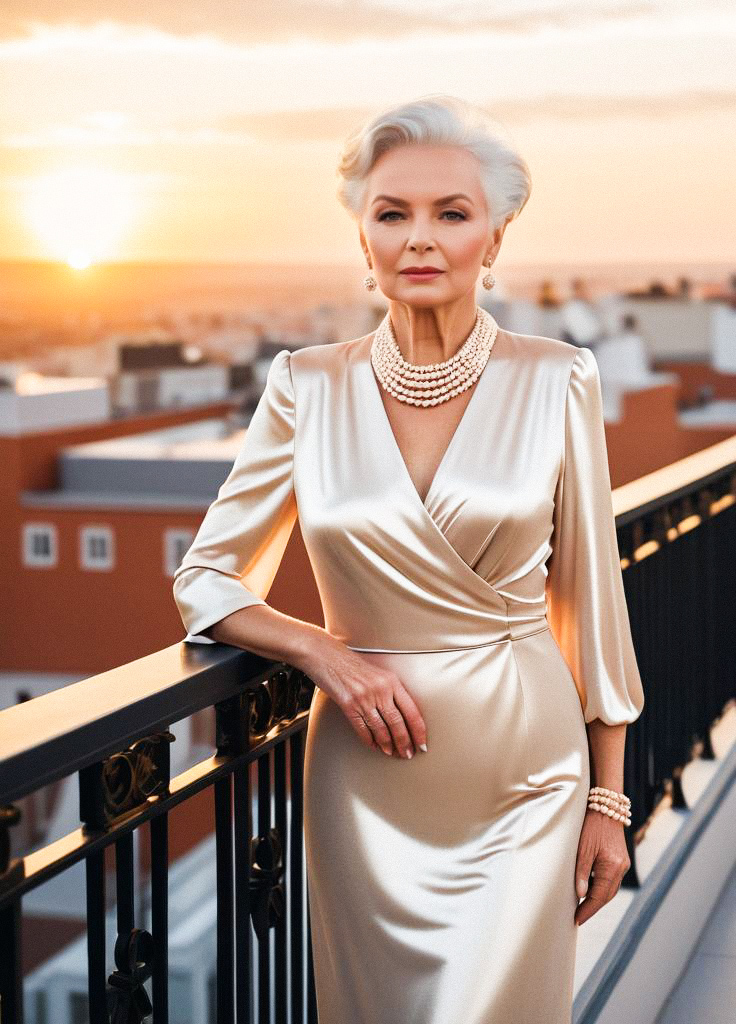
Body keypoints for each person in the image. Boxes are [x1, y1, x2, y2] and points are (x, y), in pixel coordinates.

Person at [171, 94, 645, 1024]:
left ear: (495, 240)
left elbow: (592, 600)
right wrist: (328, 657)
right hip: (366, 780)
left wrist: (608, 800)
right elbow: (208, 575)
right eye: (392, 214)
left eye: (451, 213)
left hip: (525, 771)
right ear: (363, 240)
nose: (419, 238)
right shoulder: (306, 386)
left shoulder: (558, 379)